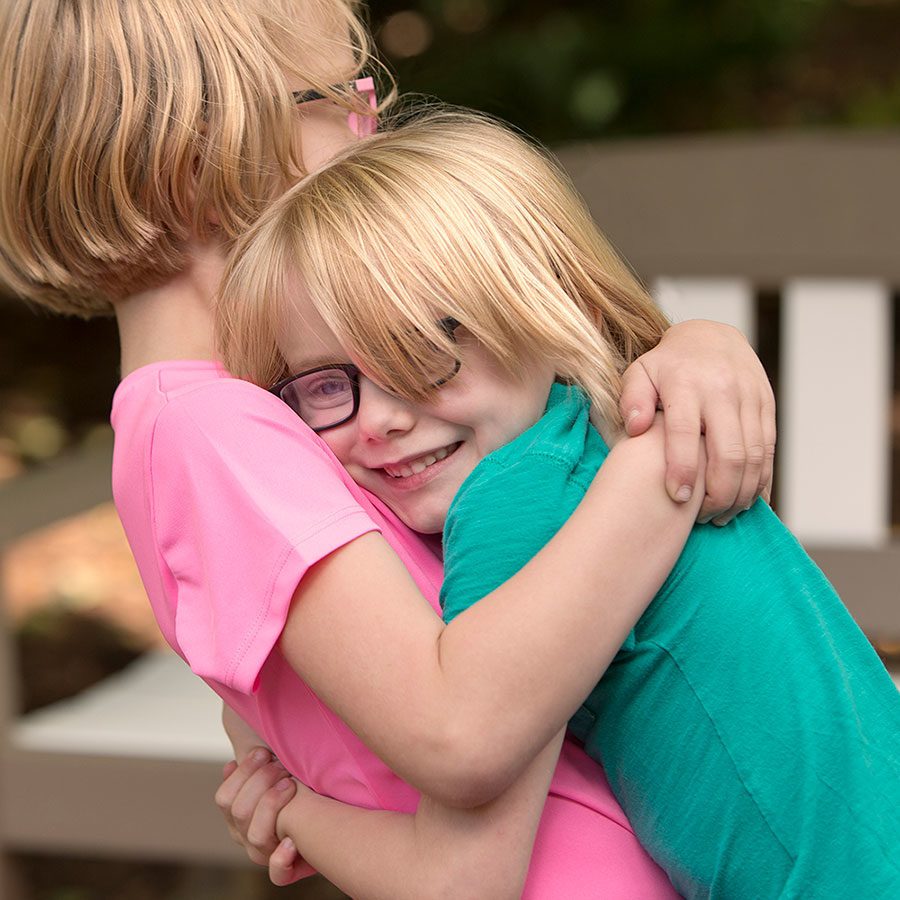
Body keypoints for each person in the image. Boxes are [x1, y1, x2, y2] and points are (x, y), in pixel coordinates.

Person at [0, 2, 777, 895]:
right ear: (203, 145)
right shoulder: (212, 435)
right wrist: (665, 457)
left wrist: (694, 350)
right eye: (348, 99)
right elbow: (461, 735)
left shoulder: (255, 406)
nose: (372, 129)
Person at [215, 109, 900, 898]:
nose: (380, 420)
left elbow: (462, 883)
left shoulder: (518, 503)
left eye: (421, 353)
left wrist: (294, 809)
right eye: (328, 386)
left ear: (535, 305)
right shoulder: (586, 439)